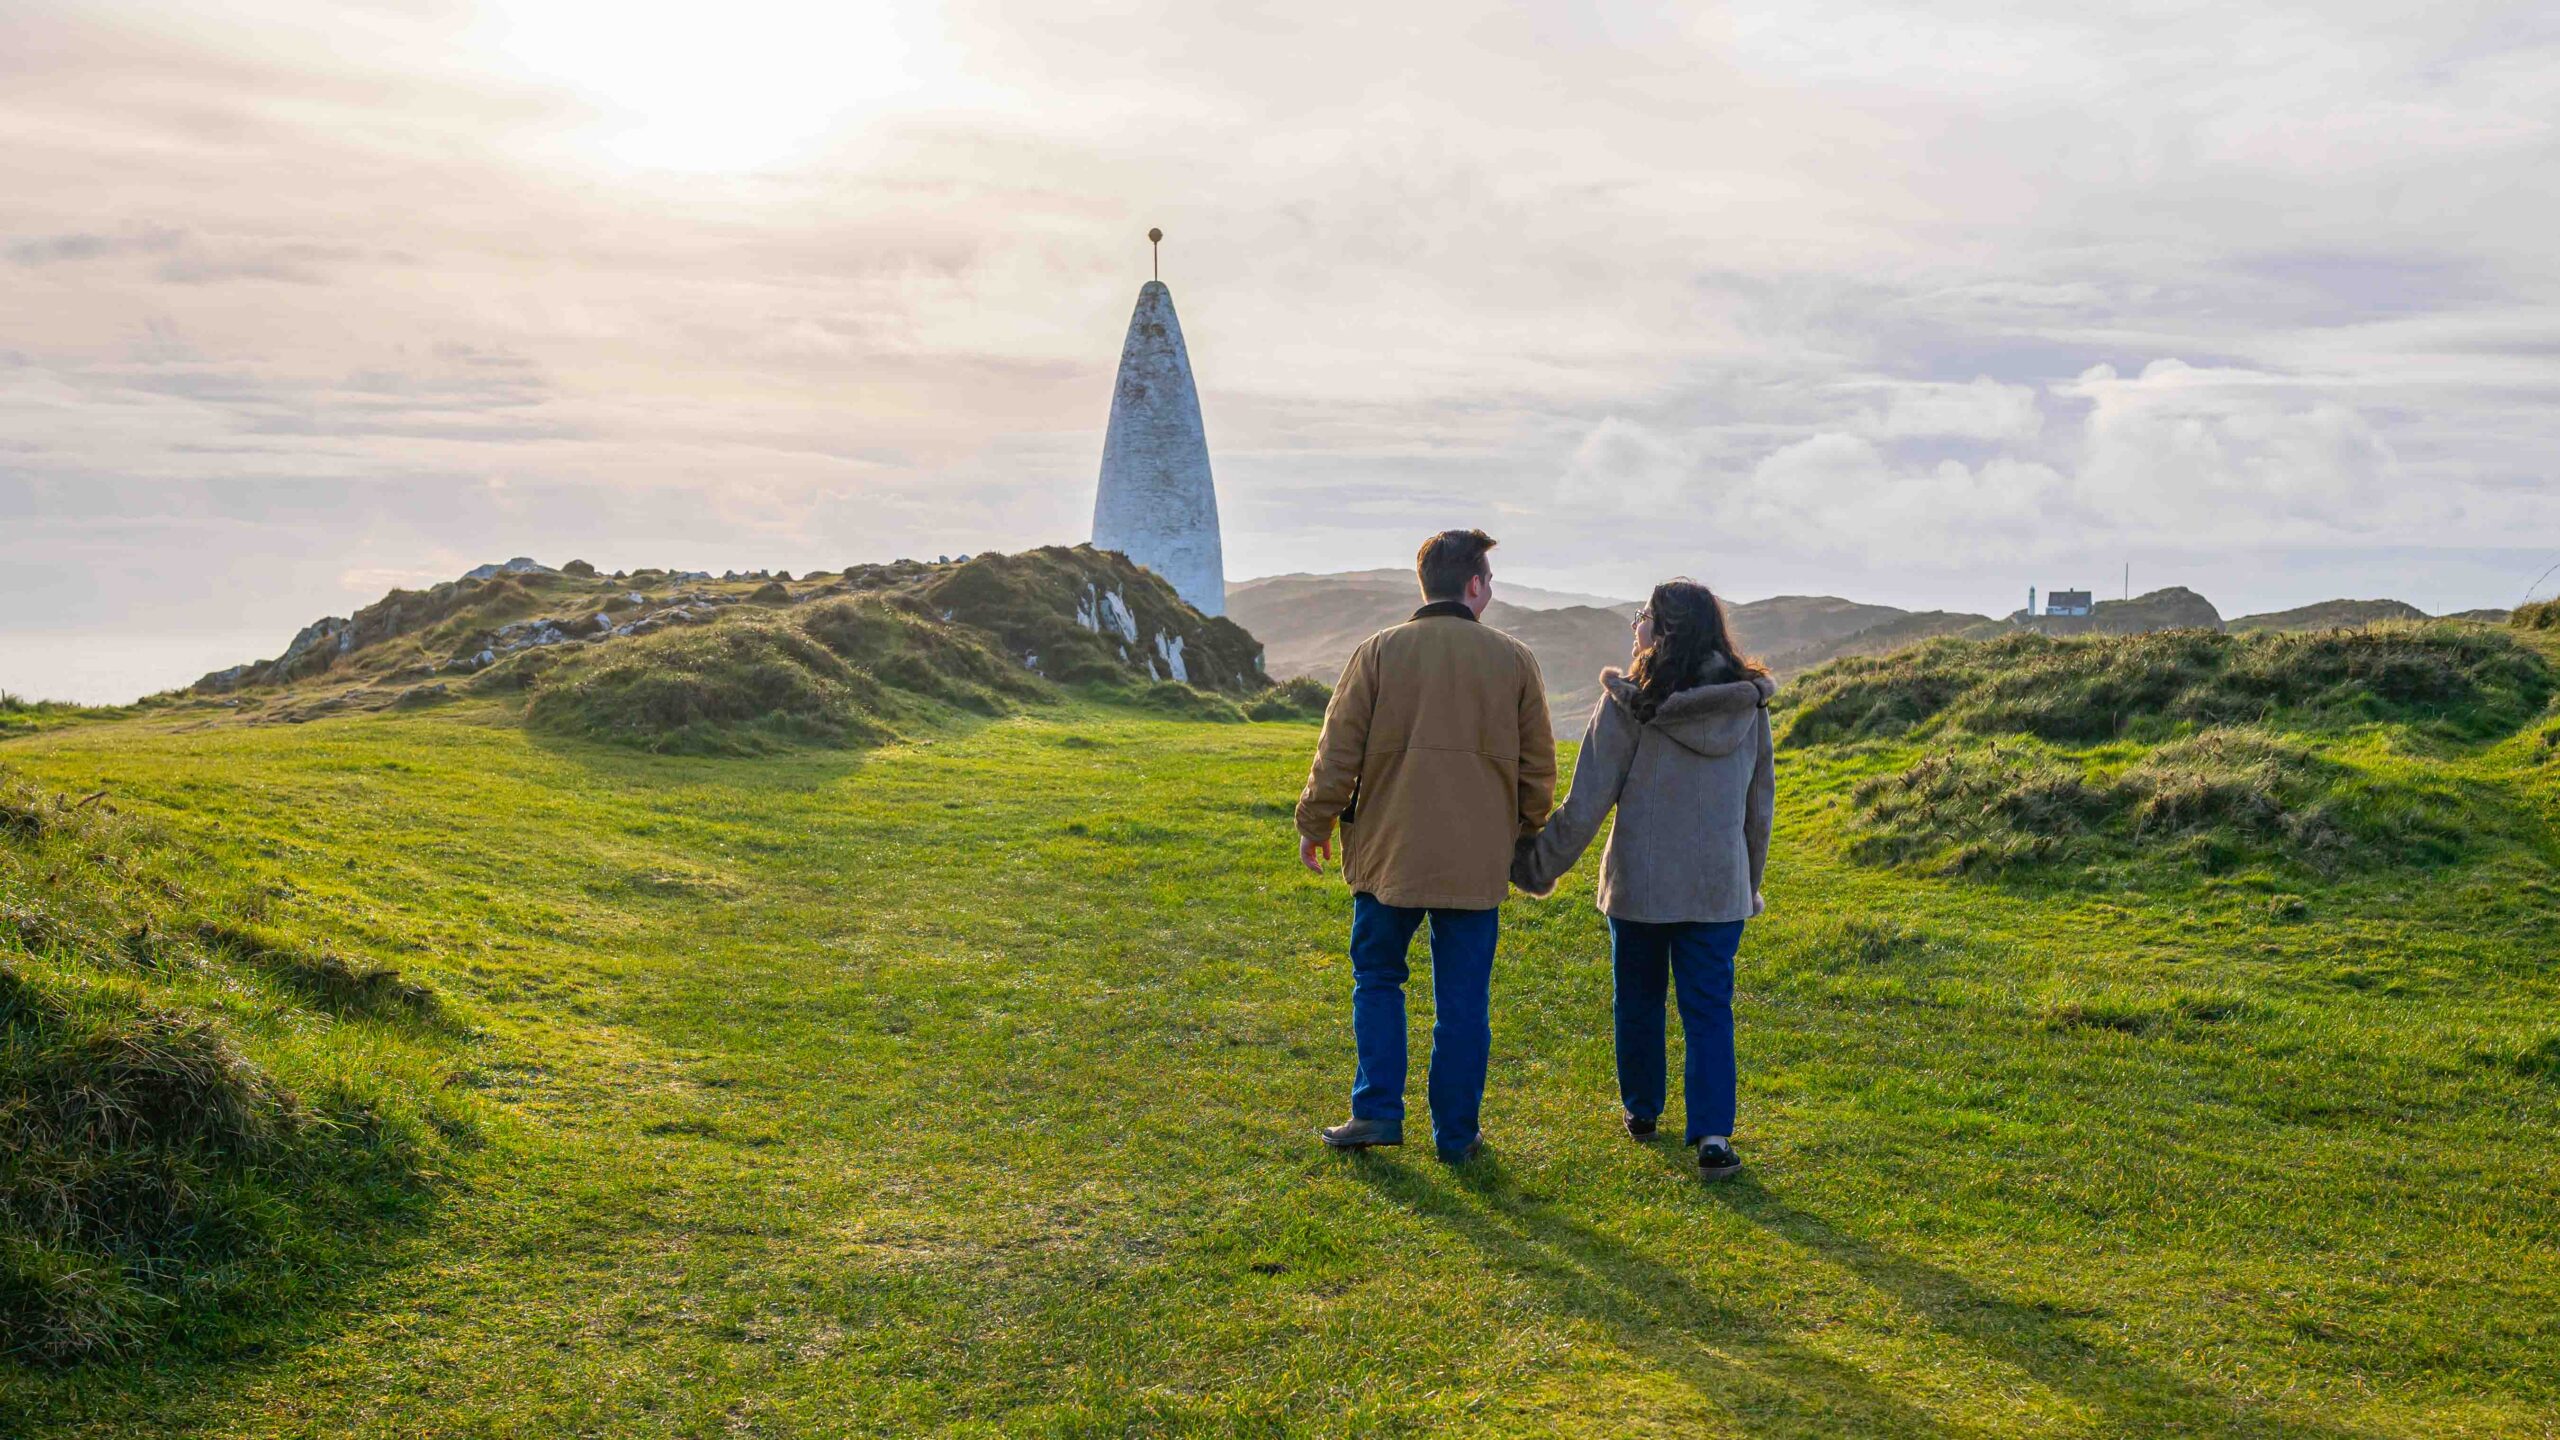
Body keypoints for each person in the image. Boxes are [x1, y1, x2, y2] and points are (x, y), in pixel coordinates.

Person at [1295, 529, 1556, 1164]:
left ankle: (1377, 1110)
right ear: (1473, 586)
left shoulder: (1378, 653)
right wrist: (1521, 832)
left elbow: (1337, 754)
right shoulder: (1515, 660)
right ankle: (1457, 1136)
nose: (1490, 590)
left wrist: (1315, 822)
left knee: (1379, 978)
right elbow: (1538, 771)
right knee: (1463, 1003)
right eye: (1489, 581)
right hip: (1476, 863)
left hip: (1389, 856)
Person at [1510, 579, 1775, 1181]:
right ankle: (1712, 1135)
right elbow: (1759, 808)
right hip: (1719, 889)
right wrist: (1746, 884)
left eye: (1643, 616)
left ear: (1661, 630)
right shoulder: (1748, 705)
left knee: (1638, 1000)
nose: (1636, 626)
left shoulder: (1630, 704)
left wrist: (1533, 865)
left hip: (1639, 886)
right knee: (1709, 1010)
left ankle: (1642, 1111)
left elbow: (1587, 803)